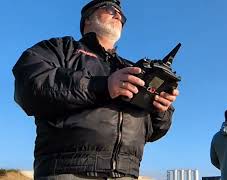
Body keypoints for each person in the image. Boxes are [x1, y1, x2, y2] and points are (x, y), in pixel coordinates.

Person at [12, 0, 179, 179]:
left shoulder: (132, 68)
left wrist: (161, 110)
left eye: (121, 15)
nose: (117, 15)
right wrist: (101, 86)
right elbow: (29, 87)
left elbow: (154, 132)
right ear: (87, 20)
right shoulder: (60, 49)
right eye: (109, 9)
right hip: (67, 170)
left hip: (126, 174)